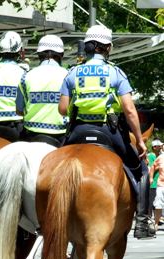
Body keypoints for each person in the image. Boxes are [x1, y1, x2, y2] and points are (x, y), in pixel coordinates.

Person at [58, 24, 155, 239]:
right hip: (107, 131)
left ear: (89, 47)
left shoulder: (72, 73)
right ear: (107, 48)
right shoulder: (115, 73)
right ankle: (142, 221)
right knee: (141, 171)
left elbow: (62, 109)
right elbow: (129, 110)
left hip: (78, 130)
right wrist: (139, 141)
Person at [16, 34, 68, 147]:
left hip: (31, 135)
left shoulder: (26, 77)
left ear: (39, 55)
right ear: (61, 55)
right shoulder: (68, 76)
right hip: (61, 135)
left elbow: (19, 110)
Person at [147, 139, 163, 216]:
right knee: (151, 200)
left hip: (158, 182)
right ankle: (149, 217)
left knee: (157, 201)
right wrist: (159, 166)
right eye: (159, 146)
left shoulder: (159, 156)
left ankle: (157, 217)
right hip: (153, 182)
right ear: (154, 147)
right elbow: (150, 168)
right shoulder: (151, 156)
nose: (160, 147)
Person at [149, 150, 164, 231]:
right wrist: (151, 178)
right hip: (161, 185)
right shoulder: (161, 158)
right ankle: (156, 223)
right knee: (158, 205)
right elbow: (153, 166)